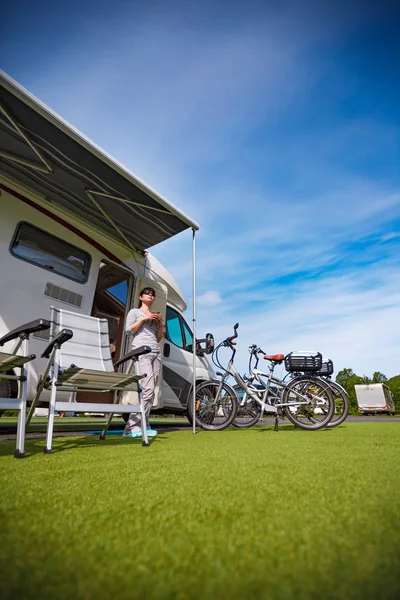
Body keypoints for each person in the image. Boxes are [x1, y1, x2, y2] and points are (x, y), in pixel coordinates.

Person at [123, 287, 163, 439]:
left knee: (151, 393)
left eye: (153, 294)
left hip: (155, 352)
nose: (151, 295)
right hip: (142, 351)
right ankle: (130, 428)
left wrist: (160, 324)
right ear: (140, 297)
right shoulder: (134, 312)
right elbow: (129, 331)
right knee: (147, 389)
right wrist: (143, 319)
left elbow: (158, 338)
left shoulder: (154, 316)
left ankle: (144, 424)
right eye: (147, 293)